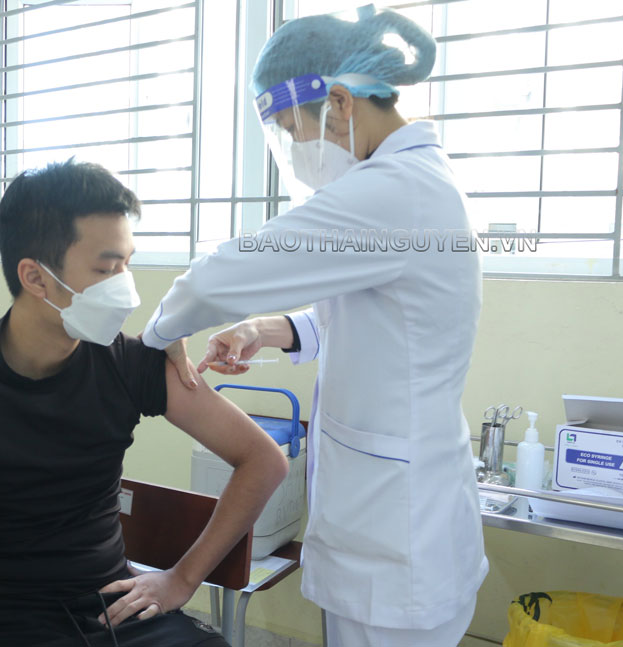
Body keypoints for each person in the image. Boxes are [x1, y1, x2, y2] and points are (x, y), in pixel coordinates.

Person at [142, 6, 487, 647]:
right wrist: (267, 330)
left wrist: (153, 338)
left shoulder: (395, 191)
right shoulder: (410, 186)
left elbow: (224, 275)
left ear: (339, 103)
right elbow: (374, 320)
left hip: (397, 550)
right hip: (392, 529)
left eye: (290, 130)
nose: (296, 154)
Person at [0, 159, 289, 646]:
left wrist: (182, 579)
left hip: (111, 607)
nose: (125, 287)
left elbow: (263, 460)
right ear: (35, 278)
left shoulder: (131, 362)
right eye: (106, 268)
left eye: (127, 263)